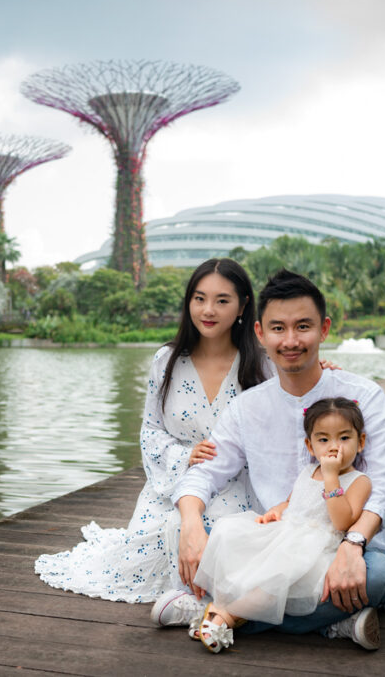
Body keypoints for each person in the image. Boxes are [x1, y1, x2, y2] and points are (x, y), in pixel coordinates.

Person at [151, 269, 385, 651]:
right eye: (278, 328)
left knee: (382, 577)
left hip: (348, 541)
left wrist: (352, 544)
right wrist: (190, 523)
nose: (290, 340)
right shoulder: (247, 407)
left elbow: (382, 488)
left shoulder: (362, 397)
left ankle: (213, 614)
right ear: (259, 333)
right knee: (220, 538)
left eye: (303, 327)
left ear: (324, 329)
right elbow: (203, 474)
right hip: (278, 543)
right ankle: (331, 624)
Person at [34, 258, 271, 602]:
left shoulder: (262, 365)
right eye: (199, 298)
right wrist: (184, 454)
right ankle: (191, 597)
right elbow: (151, 431)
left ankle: (199, 601)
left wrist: (321, 371)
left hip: (236, 484)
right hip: (174, 483)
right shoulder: (167, 360)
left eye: (222, 300)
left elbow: (296, 410)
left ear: (243, 306)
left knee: (224, 532)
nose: (208, 309)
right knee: (165, 534)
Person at [192, 397, 373, 653]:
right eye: (324, 440)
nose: (334, 447)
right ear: (310, 446)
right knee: (231, 539)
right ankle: (217, 606)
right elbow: (292, 502)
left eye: (344, 438)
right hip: (286, 533)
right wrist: (275, 513)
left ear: (361, 442)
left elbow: (343, 521)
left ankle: (226, 615)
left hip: (314, 548)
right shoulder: (307, 471)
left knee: (275, 579)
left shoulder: (359, 481)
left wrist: (332, 477)